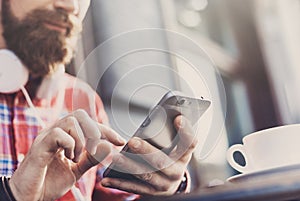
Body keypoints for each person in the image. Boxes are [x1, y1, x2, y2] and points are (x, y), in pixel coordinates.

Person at [0, 0, 199, 200]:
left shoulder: (82, 98)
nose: (72, 6)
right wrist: (12, 194)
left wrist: (168, 188)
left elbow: (121, 195)